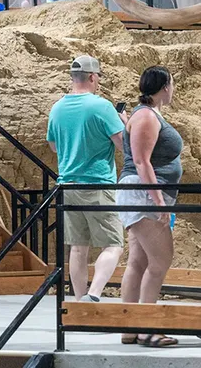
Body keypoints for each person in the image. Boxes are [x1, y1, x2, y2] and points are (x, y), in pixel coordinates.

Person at [46, 55, 126, 302]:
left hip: (67, 185)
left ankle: (79, 299)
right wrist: (124, 121)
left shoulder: (57, 108)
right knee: (114, 244)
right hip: (98, 184)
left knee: (78, 247)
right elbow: (124, 145)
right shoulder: (102, 107)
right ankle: (93, 294)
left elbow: (54, 147)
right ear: (92, 77)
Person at [117, 66, 181, 347]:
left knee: (139, 261)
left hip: (143, 194)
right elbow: (142, 161)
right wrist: (158, 202)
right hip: (144, 196)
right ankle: (147, 328)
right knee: (161, 260)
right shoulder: (145, 116)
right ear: (165, 86)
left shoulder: (147, 114)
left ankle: (130, 327)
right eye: (173, 84)